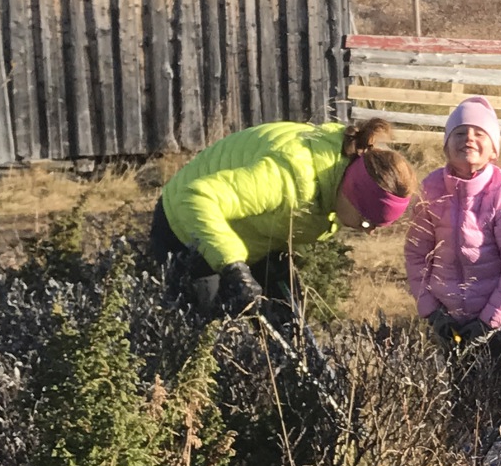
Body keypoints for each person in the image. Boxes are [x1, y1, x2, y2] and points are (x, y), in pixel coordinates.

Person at [150, 116, 415, 318]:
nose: (368, 231)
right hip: (185, 226)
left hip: (250, 233)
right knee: (202, 331)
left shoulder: (345, 167)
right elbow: (197, 198)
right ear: (350, 193)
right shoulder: (289, 177)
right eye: (367, 222)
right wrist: (233, 266)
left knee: (287, 321)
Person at [404, 95, 501, 437]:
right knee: (462, 402)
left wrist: (489, 321)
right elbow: (416, 256)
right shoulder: (431, 189)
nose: (469, 139)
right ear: (446, 145)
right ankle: (468, 462)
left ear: (493, 149)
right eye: (460, 133)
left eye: (479, 133)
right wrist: (431, 311)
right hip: (450, 321)